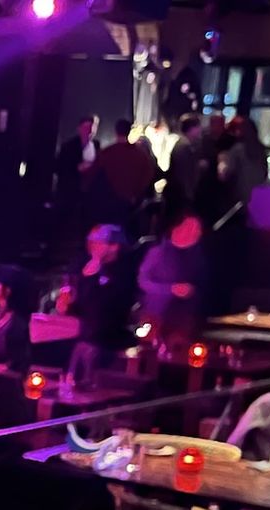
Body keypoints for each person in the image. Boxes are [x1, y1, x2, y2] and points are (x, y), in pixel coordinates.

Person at [63, 224, 139, 387]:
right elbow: (79, 305)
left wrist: (94, 277)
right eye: (90, 241)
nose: (92, 246)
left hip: (111, 342)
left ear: (114, 246)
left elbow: (111, 307)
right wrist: (67, 303)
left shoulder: (124, 271)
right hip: (85, 338)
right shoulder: (84, 267)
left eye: (98, 242)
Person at [138, 208, 209, 348]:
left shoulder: (200, 257)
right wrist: (170, 289)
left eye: (198, 229)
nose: (196, 232)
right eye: (191, 228)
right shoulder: (158, 252)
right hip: (154, 316)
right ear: (177, 228)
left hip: (184, 319)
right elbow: (143, 281)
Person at [0, 266, 37, 373]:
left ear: (8, 290)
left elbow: (15, 368)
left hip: (4, 385)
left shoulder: (17, 325)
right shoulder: (2, 317)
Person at [165, 113, 203, 214]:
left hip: (180, 193)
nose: (200, 130)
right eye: (198, 127)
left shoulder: (183, 145)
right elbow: (184, 174)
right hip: (182, 194)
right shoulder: (184, 147)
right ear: (192, 128)